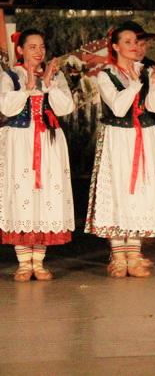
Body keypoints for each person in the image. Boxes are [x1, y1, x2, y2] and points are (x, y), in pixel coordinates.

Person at [85, 24, 155, 278]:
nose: (134, 46)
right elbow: (119, 107)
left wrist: (154, 83)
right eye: (128, 42)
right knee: (118, 190)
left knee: (140, 192)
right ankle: (117, 255)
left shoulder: (146, 71)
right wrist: (135, 85)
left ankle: (134, 255)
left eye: (136, 42)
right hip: (118, 137)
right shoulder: (106, 74)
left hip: (144, 136)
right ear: (115, 46)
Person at [0, 29, 75, 282]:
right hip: (19, 141)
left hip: (48, 141)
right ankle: (24, 262)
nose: (39, 51)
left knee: (46, 195)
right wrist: (26, 89)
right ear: (20, 50)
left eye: (42, 46)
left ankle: (39, 261)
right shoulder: (10, 76)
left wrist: (49, 85)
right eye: (32, 47)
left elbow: (66, 107)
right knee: (21, 194)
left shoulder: (54, 76)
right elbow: (5, 106)